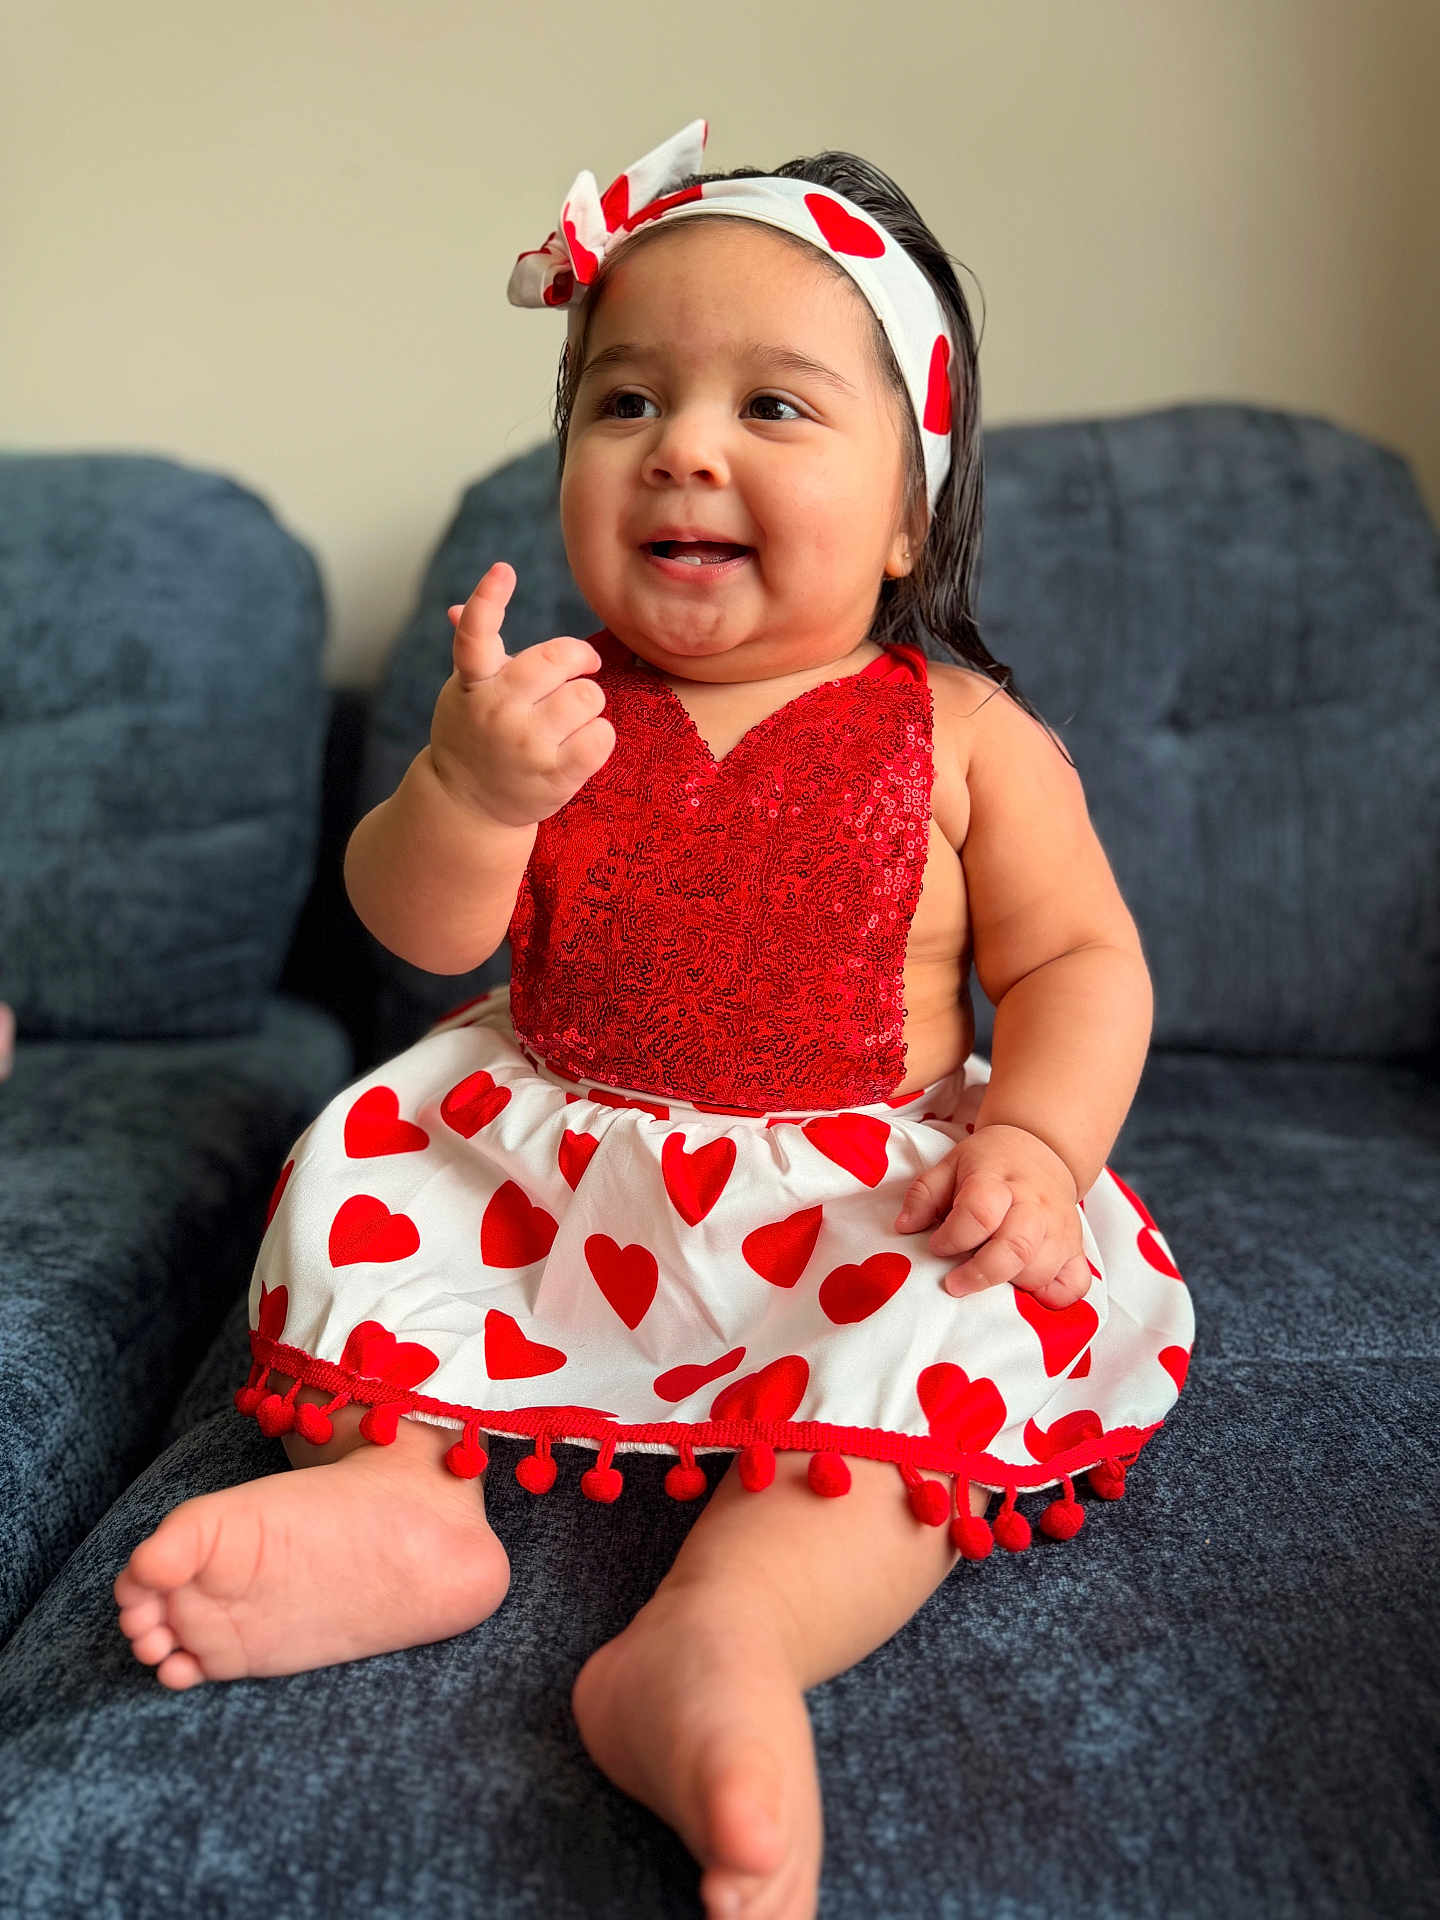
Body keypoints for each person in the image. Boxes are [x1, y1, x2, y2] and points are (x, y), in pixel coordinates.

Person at [114, 119, 1193, 1920]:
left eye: (772, 405)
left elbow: (1084, 961)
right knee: (369, 1193)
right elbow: (414, 930)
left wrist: (1035, 1139)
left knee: (953, 1322)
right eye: (625, 401)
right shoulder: (544, 711)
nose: (684, 443)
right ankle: (398, 1498)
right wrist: (470, 794)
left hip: (849, 1192)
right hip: (545, 1165)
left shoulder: (968, 736)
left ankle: (725, 1633)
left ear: (911, 511)